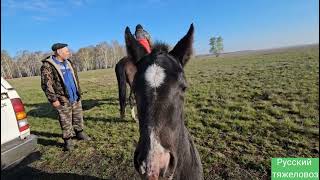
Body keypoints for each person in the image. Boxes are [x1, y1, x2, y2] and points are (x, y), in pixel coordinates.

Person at [40, 43, 91, 151]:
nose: (69, 53)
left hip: (75, 96)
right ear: (59, 52)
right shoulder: (48, 65)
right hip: (62, 98)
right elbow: (46, 84)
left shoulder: (68, 63)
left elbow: (74, 78)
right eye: (66, 51)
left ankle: (79, 132)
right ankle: (68, 140)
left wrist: (78, 92)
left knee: (78, 116)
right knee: (65, 119)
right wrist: (53, 99)